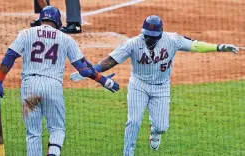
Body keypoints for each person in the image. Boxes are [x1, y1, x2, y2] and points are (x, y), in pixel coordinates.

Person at [70, 15, 239, 156]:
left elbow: (195, 45)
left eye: (153, 35)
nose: (149, 38)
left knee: (162, 127)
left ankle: (155, 130)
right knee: (133, 121)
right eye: (147, 35)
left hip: (161, 87)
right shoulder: (133, 43)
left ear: (160, 33)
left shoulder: (172, 40)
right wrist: (92, 71)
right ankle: (127, 153)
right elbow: (110, 60)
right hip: (139, 85)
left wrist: (219, 47)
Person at [0, 6, 119, 156]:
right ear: (58, 22)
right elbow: (84, 69)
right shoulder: (66, 39)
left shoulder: (26, 34)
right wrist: (104, 80)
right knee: (57, 129)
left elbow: (9, 56)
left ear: (41, 20)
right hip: (53, 87)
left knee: (33, 134)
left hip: (29, 87)